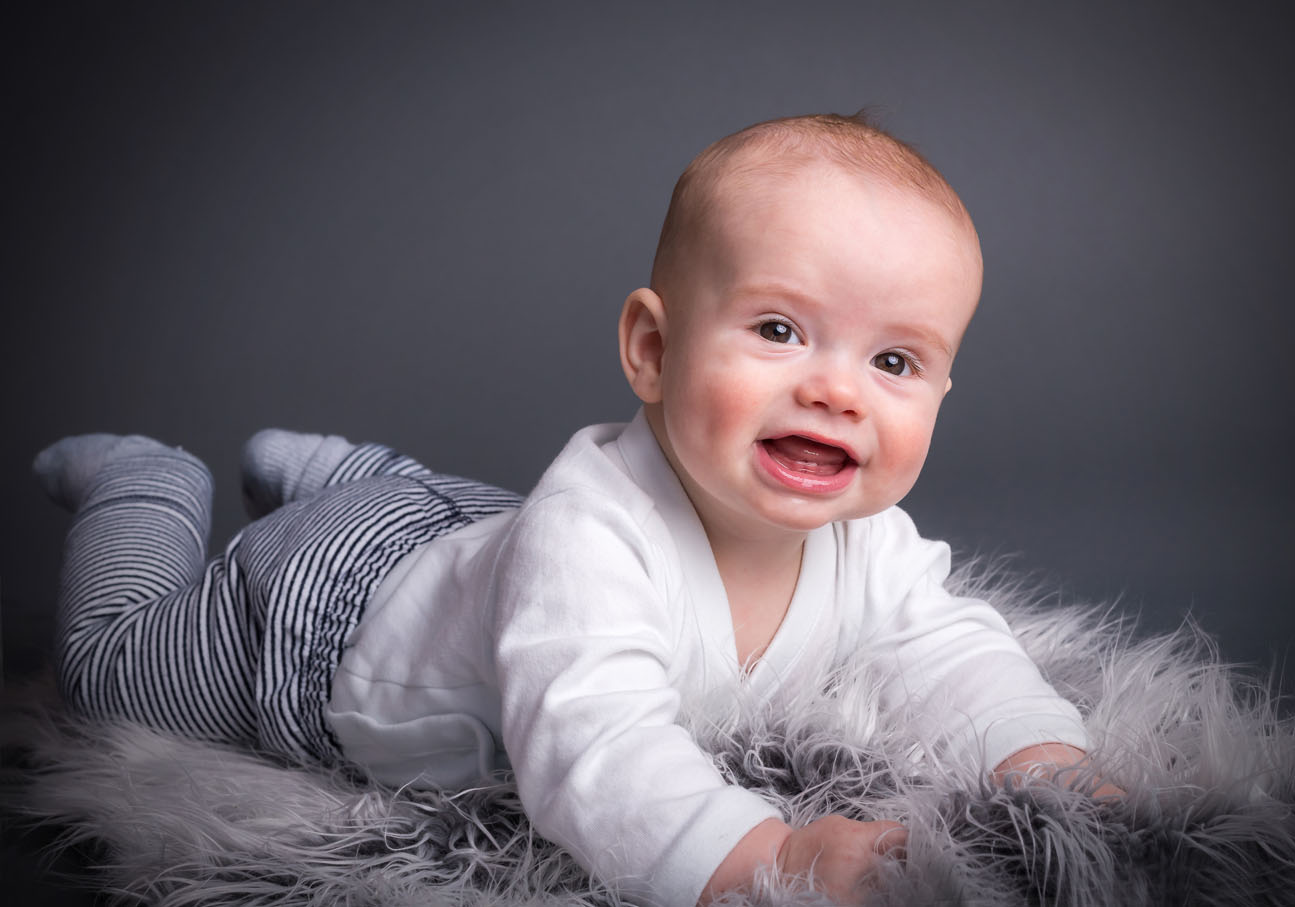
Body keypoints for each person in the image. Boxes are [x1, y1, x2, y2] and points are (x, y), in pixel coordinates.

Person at [34, 113, 1107, 907]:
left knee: (463, 531)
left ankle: (336, 468)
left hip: (463, 535)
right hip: (321, 622)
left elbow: (947, 645)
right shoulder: (586, 535)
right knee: (112, 673)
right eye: (779, 330)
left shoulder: (864, 539)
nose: (837, 389)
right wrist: (762, 859)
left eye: (893, 359)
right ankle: (149, 488)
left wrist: (1041, 756)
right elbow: (592, 749)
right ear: (651, 348)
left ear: (941, 390)